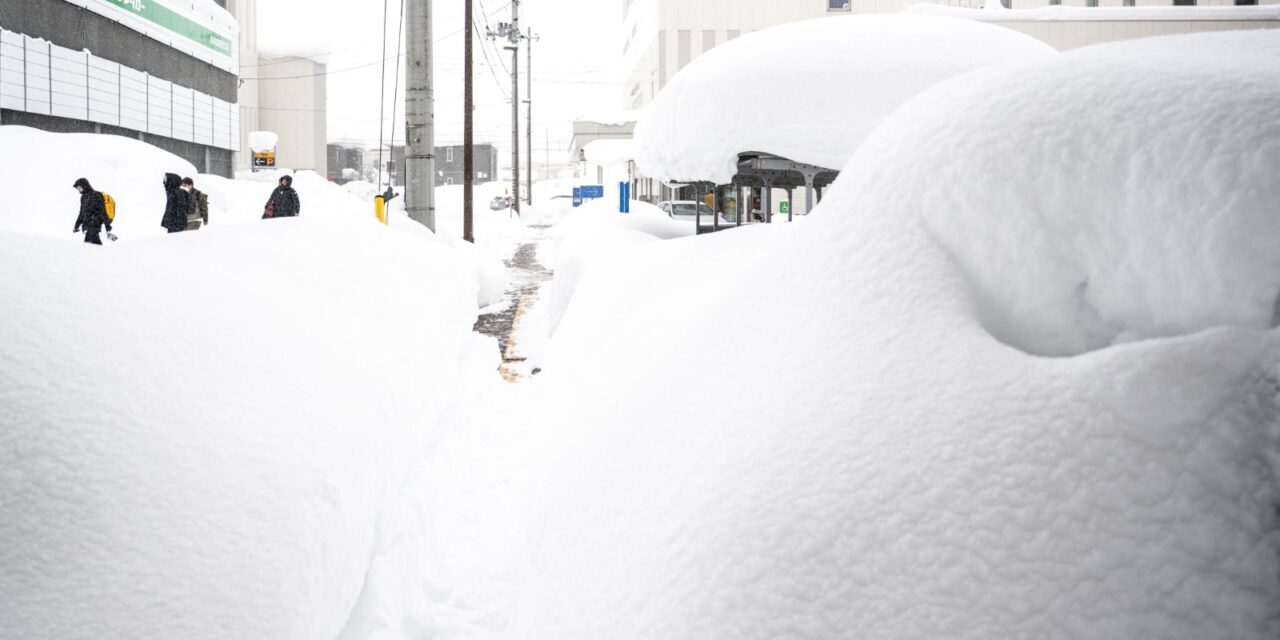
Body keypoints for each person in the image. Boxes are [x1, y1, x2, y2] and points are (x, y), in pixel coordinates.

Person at [72, 177, 110, 245]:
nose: (79, 190)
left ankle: (104, 254)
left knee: (88, 246)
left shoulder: (96, 195)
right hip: (87, 226)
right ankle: (103, 254)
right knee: (92, 246)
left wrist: (107, 225)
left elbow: (102, 211)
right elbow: (81, 213)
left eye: (79, 188)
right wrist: (77, 225)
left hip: (94, 225)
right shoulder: (83, 197)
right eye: (78, 189)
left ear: (85, 186)